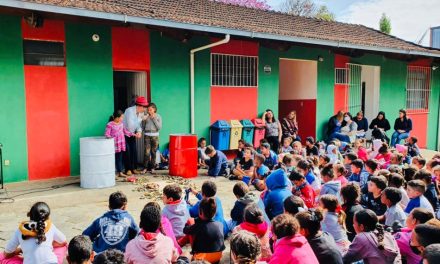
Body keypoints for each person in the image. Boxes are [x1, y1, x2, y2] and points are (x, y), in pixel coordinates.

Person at [1, 202, 67, 264]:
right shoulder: (50, 226)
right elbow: (63, 241)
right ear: (48, 217)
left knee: (2, 257)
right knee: (64, 246)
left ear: (29, 214)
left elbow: (7, 254)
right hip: (52, 262)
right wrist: (50, 244)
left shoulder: (21, 229)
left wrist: (18, 250)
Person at [183, 198, 225, 263]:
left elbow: (185, 230)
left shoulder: (198, 226)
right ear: (214, 213)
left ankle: (193, 252)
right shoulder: (220, 224)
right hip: (218, 257)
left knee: (186, 254)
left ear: (200, 212)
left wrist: (188, 223)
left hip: (203, 259)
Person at [105, 110, 134, 178]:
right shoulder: (110, 124)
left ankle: (120, 172)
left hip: (121, 144)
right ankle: (113, 173)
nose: (122, 119)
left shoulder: (121, 124)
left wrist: (133, 134)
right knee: (113, 159)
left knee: (119, 158)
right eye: (121, 117)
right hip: (114, 145)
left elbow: (125, 131)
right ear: (117, 117)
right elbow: (107, 134)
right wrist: (113, 138)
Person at [123, 96, 147, 176]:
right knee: (127, 151)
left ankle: (134, 168)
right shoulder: (129, 111)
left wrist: (139, 132)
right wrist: (141, 119)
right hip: (125, 133)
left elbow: (138, 126)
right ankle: (128, 169)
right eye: (144, 107)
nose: (144, 109)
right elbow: (130, 126)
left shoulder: (140, 113)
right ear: (139, 105)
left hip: (133, 134)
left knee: (134, 151)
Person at [141, 102, 162, 174]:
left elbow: (159, 127)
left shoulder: (158, 116)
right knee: (146, 152)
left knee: (153, 152)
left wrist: (154, 119)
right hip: (147, 135)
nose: (149, 111)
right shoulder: (146, 116)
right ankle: (145, 168)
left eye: (150, 110)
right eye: (148, 110)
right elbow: (143, 127)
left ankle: (153, 168)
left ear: (154, 109)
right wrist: (143, 120)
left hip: (155, 136)